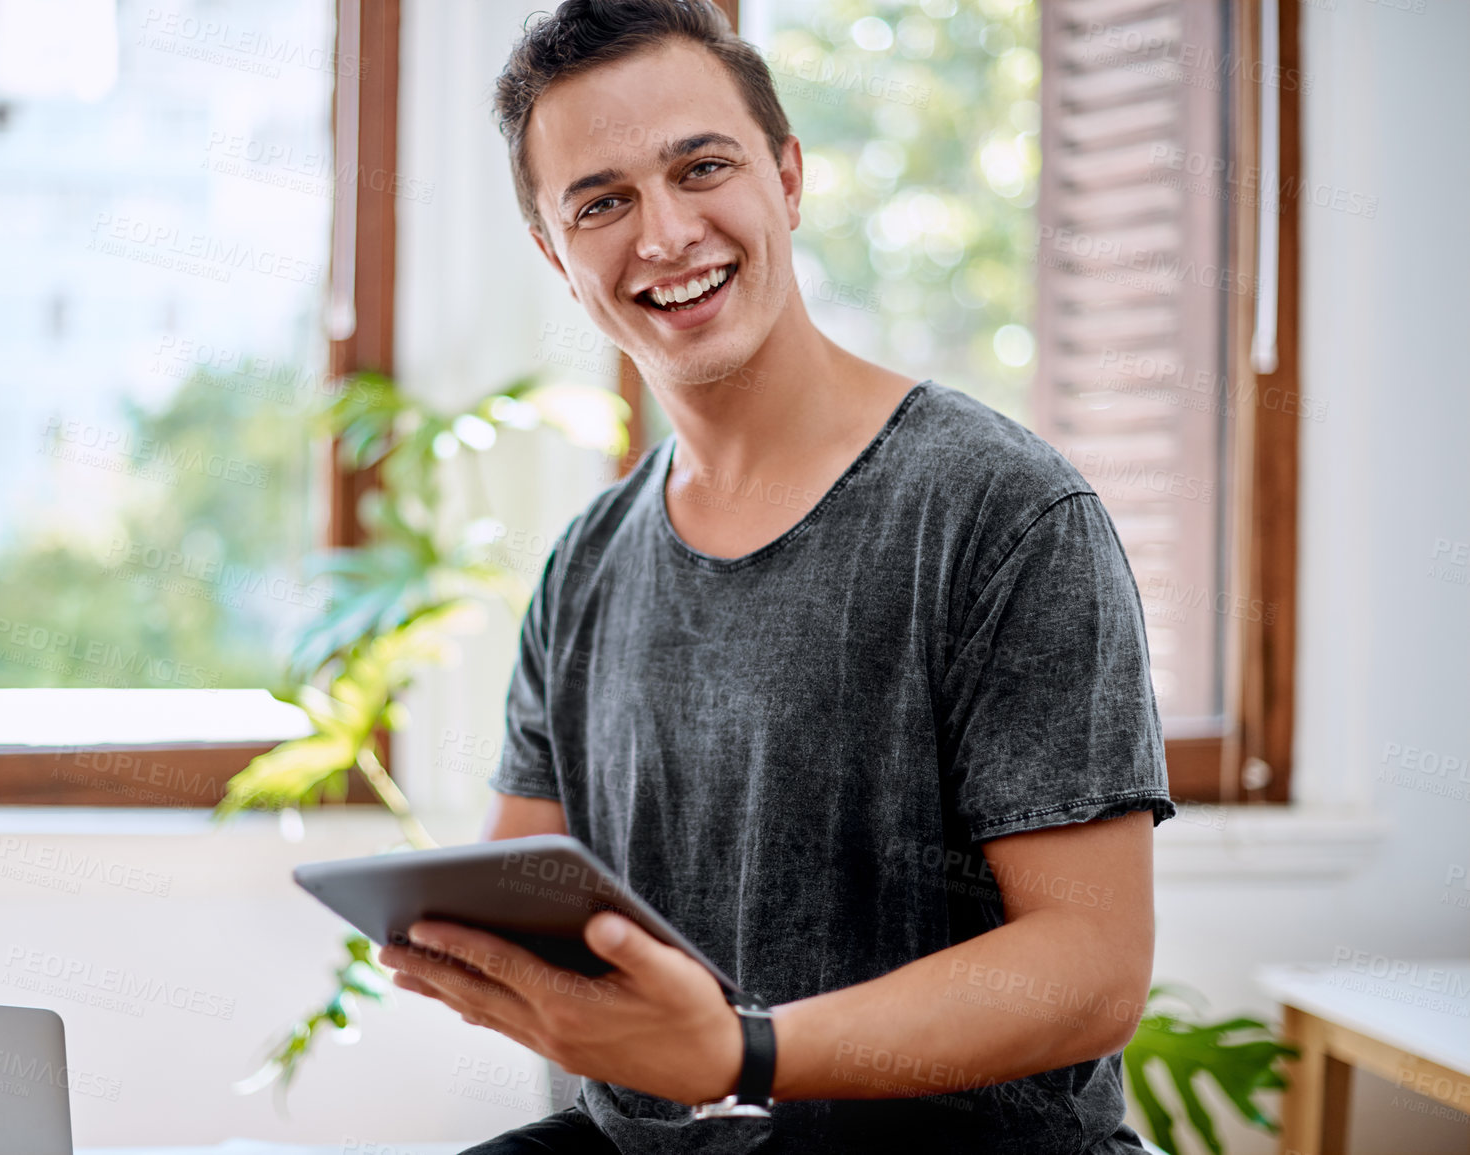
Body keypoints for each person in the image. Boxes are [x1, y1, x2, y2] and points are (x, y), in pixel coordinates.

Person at [376, 2, 1176, 1151]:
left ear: (789, 179)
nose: (663, 235)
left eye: (702, 168)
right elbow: (526, 897)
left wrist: (744, 1052)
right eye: (601, 202)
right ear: (558, 255)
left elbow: (1093, 969)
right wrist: (475, 954)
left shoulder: (1004, 513)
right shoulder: (587, 564)